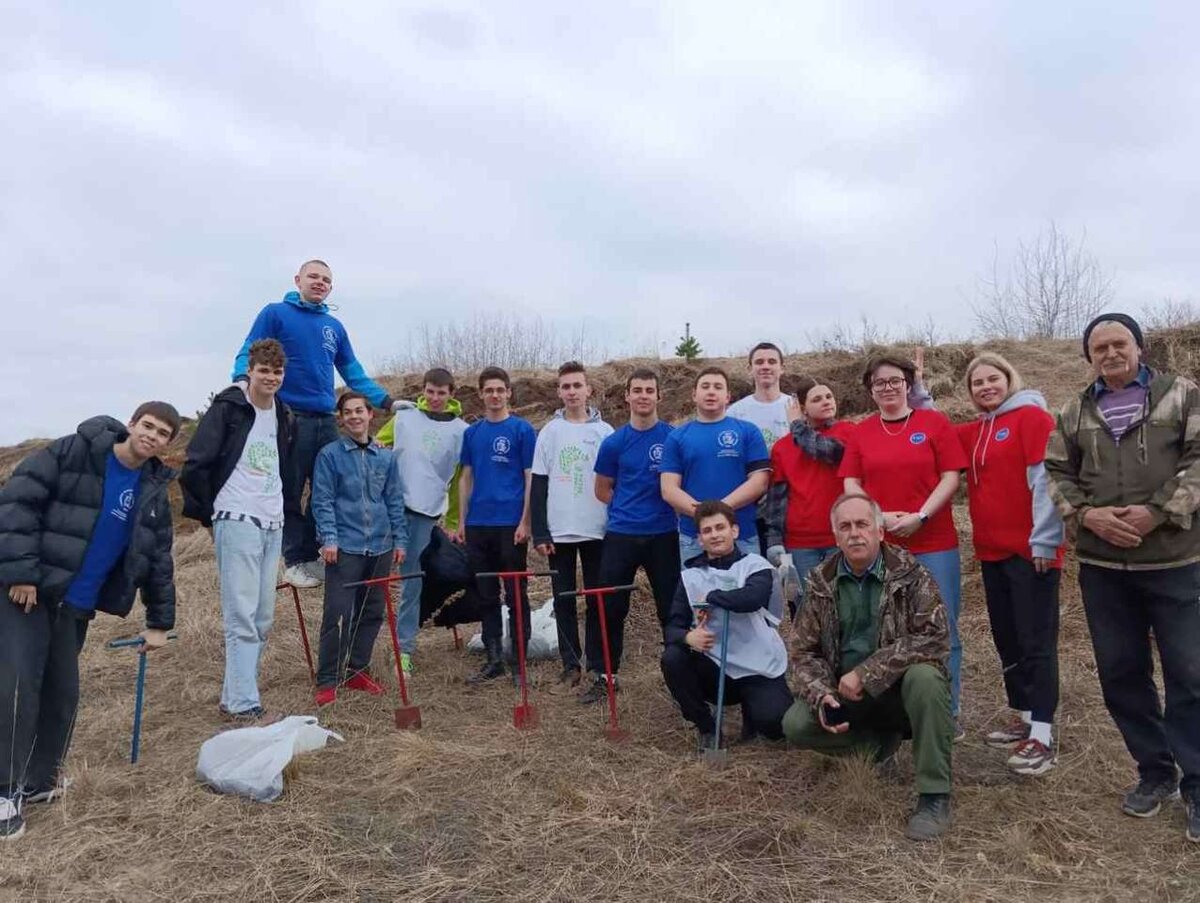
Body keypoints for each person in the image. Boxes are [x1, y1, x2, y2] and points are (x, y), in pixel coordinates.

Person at [1045, 313, 1200, 841]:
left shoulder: (1181, 395)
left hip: (1176, 561)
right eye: (1099, 347)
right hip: (1104, 569)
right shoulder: (1074, 411)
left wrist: (1157, 511)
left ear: (1139, 346)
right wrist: (1087, 516)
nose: (1110, 354)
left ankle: (1197, 785)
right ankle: (1155, 772)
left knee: (1190, 674)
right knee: (1121, 674)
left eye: (1119, 344)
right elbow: (1057, 472)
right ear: (1088, 356)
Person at [0, 402, 181, 841]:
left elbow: (158, 561)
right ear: (132, 423)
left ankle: (39, 782)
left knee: (62, 693)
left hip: (77, 605)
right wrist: (23, 572)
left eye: (162, 433)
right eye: (148, 426)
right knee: (19, 687)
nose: (152, 436)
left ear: (167, 444)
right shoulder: (74, 452)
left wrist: (159, 622)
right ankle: (5, 791)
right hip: (30, 595)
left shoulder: (152, 490)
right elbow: (18, 501)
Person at [783, 492, 953, 842]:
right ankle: (877, 748)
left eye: (862, 524)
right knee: (796, 723)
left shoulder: (911, 574)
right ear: (835, 536)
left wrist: (867, 672)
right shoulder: (821, 581)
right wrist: (822, 695)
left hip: (899, 693)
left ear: (880, 531)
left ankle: (934, 796)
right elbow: (801, 653)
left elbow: (935, 638)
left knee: (927, 678)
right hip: (846, 695)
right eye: (845, 527)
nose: (854, 533)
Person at [232, 259, 397, 589]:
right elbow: (249, 350)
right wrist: (240, 381)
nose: (319, 283)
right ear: (298, 280)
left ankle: (318, 550)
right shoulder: (275, 313)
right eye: (313, 277)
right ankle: (295, 560)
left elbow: (353, 372)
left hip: (326, 418)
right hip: (290, 416)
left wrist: (388, 402)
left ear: (331, 287)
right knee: (290, 488)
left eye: (326, 279)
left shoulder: (334, 327)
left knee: (330, 486)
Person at [839, 352, 967, 732]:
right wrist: (878, 517)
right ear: (870, 391)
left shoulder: (933, 423)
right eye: (880, 383)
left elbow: (950, 477)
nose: (888, 388)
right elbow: (851, 482)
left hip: (935, 540)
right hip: (883, 544)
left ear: (909, 384)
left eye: (895, 380)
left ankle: (947, 711)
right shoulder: (862, 432)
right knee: (884, 627)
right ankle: (895, 713)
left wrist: (922, 515)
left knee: (943, 627)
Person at [956, 352, 1064, 775]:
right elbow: (936, 435)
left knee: (1037, 640)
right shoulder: (980, 429)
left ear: (1009, 379)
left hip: (1030, 550)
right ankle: (1021, 714)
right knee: (1008, 637)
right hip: (992, 551)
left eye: (992, 379)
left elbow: (1046, 482)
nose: (985, 387)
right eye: (977, 383)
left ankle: (1042, 733)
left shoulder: (1032, 419)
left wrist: (1045, 540)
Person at [181, 339, 296, 720]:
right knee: (241, 614)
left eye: (277, 372)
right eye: (264, 371)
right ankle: (245, 701)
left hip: (272, 519)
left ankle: (235, 695)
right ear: (249, 370)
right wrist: (208, 516)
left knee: (262, 616)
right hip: (236, 515)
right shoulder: (229, 408)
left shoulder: (283, 413)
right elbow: (196, 463)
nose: (270, 378)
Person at [660, 501, 791, 751]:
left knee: (775, 727)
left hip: (758, 663)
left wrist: (711, 597)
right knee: (673, 658)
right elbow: (671, 627)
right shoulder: (690, 577)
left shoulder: (756, 566)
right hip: (716, 664)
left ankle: (753, 714)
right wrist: (688, 637)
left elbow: (751, 599)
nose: (715, 535)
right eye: (707, 531)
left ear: (735, 531)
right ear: (699, 539)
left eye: (720, 527)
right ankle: (708, 728)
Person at [590, 368, 681, 703]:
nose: (643, 396)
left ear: (659, 396)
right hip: (621, 534)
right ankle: (605, 675)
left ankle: (680, 675)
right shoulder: (614, 442)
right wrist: (629, 507)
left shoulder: (673, 438)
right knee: (611, 607)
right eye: (637, 390)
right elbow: (602, 489)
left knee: (671, 608)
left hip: (664, 535)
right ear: (627, 396)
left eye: (649, 390)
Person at [310, 392, 407, 707]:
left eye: (359, 411)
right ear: (340, 418)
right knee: (337, 614)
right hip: (345, 547)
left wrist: (400, 541)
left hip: (380, 545)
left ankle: (356, 670)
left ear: (370, 415)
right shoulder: (329, 455)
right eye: (347, 412)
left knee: (372, 611)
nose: (354, 416)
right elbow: (322, 499)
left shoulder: (386, 457)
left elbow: (393, 500)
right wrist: (329, 538)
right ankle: (327, 678)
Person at [374, 367, 467, 672]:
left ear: (451, 394)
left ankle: (404, 650)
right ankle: (358, 645)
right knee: (372, 575)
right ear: (423, 391)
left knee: (411, 581)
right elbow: (377, 446)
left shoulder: (461, 431)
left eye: (441, 393)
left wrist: (453, 520)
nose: (435, 398)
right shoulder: (405, 418)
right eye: (430, 391)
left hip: (425, 513)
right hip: (389, 508)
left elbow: (458, 480)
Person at [531, 362, 614, 689]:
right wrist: (540, 531)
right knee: (563, 598)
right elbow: (538, 483)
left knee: (596, 598)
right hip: (559, 531)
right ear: (559, 392)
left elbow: (614, 481)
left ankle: (595, 661)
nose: (572, 392)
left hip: (598, 529)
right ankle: (570, 665)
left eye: (577, 385)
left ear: (588, 390)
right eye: (565, 387)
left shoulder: (604, 432)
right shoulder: (550, 432)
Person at [458, 367, 537, 684]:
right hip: (479, 525)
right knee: (486, 594)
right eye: (488, 390)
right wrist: (462, 521)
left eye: (500, 390)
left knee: (516, 593)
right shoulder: (472, 433)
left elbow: (530, 477)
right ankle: (494, 659)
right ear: (481, 394)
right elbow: (466, 478)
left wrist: (526, 520)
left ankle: (519, 661)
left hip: (510, 525)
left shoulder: (522, 430)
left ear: (508, 393)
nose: (494, 395)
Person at [763, 377, 857, 615]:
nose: (826, 402)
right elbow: (777, 499)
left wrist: (797, 426)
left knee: (846, 607)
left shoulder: (848, 432)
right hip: (800, 544)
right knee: (808, 610)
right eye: (817, 399)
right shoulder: (782, 448)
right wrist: (774, 540)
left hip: (842, 538)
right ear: (802, 408)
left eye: (829, 397)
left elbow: (828, 451)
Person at [661, 367, 771, 562]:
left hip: (742, 534)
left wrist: (719, 511)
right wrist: (705, 517)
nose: (711, 391)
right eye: (705, 386)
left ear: (727, 396)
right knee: (700, 594)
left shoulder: (748, 432)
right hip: (695, 538)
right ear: (694, 395)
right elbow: (669, 489)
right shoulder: (676, 437)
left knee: (750, 591)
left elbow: (760, 481)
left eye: (718, 387)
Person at [729, 342, 795, 554]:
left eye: (772, 361)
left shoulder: (796, 407)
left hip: (791, 502)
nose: (765, 366)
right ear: (750, 369)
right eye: (759, 362)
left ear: (782, 368)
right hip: (750, 504)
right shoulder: (736, 413)